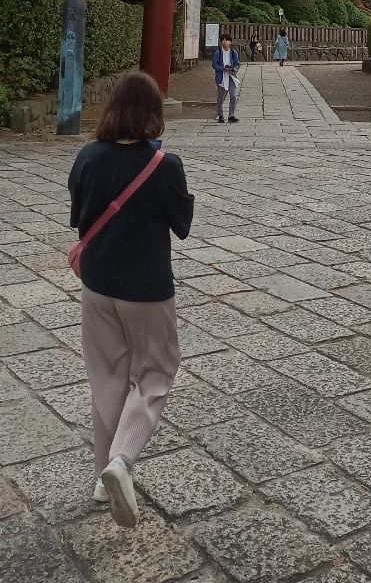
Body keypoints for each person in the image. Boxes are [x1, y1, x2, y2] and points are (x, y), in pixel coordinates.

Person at [67, 71, 194, 530]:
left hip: (97, 284)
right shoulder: (165, 165)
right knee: (155, 372)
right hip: (147, 289)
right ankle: (121, 461)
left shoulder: (87, 156)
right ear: (154, 113)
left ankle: (103, 478)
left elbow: (78, 216)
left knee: (106, 376)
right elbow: (182, 224)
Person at [212, 30, 240, 122]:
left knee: (233, 96)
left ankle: (231, 115)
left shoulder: (233, 52)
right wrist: (224, 69)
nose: (225, 42)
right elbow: (214, 65)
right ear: (221, 42)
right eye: (223, 40)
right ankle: (220, 115)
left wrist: (233, 69)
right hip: (221, 76)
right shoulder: (218, 53)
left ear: (230, 42)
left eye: (227, 40)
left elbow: (237, 64)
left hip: (231, 76)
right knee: (221, 97)